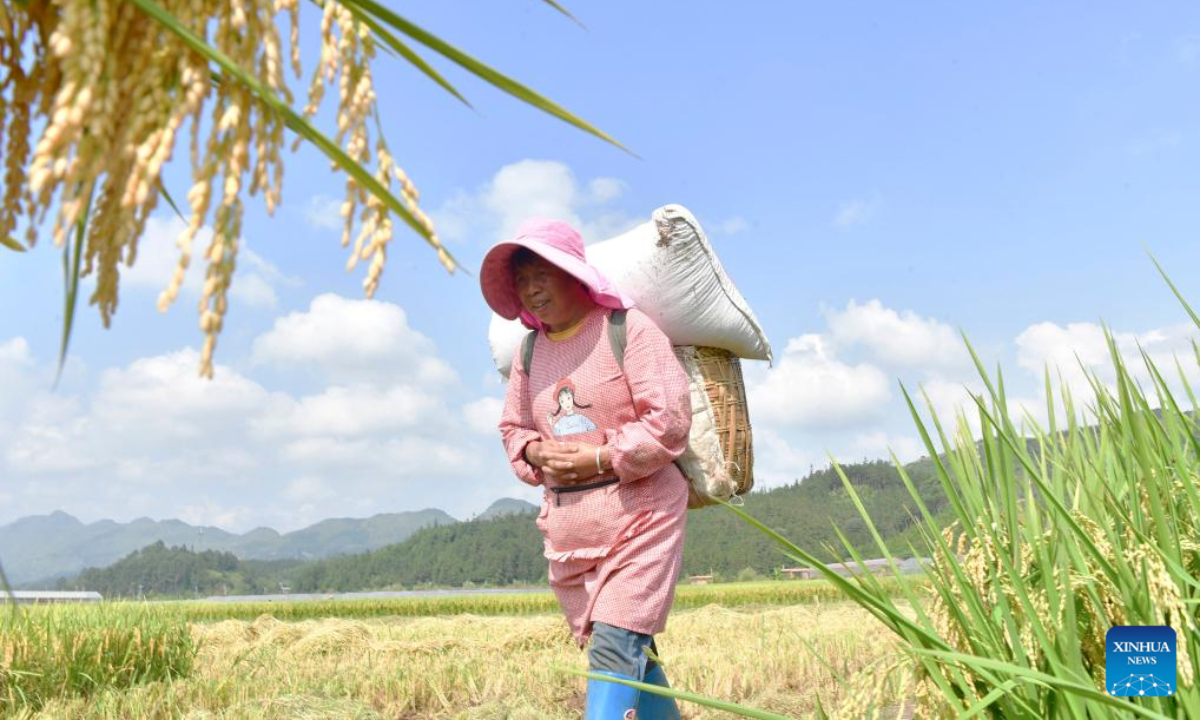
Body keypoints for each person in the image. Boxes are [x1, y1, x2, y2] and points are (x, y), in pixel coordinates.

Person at [482, 218, 691, 719]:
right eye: (522, 280)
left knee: (616, 644)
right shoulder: (530, 352)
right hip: (572, 527)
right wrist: (537, 452)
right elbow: (513, 427)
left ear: (574, 274)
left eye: (542, 273)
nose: (531, 289)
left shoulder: (627, 330)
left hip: (640, 516)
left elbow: (669, 421)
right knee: (628, 651)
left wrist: (599, 456)